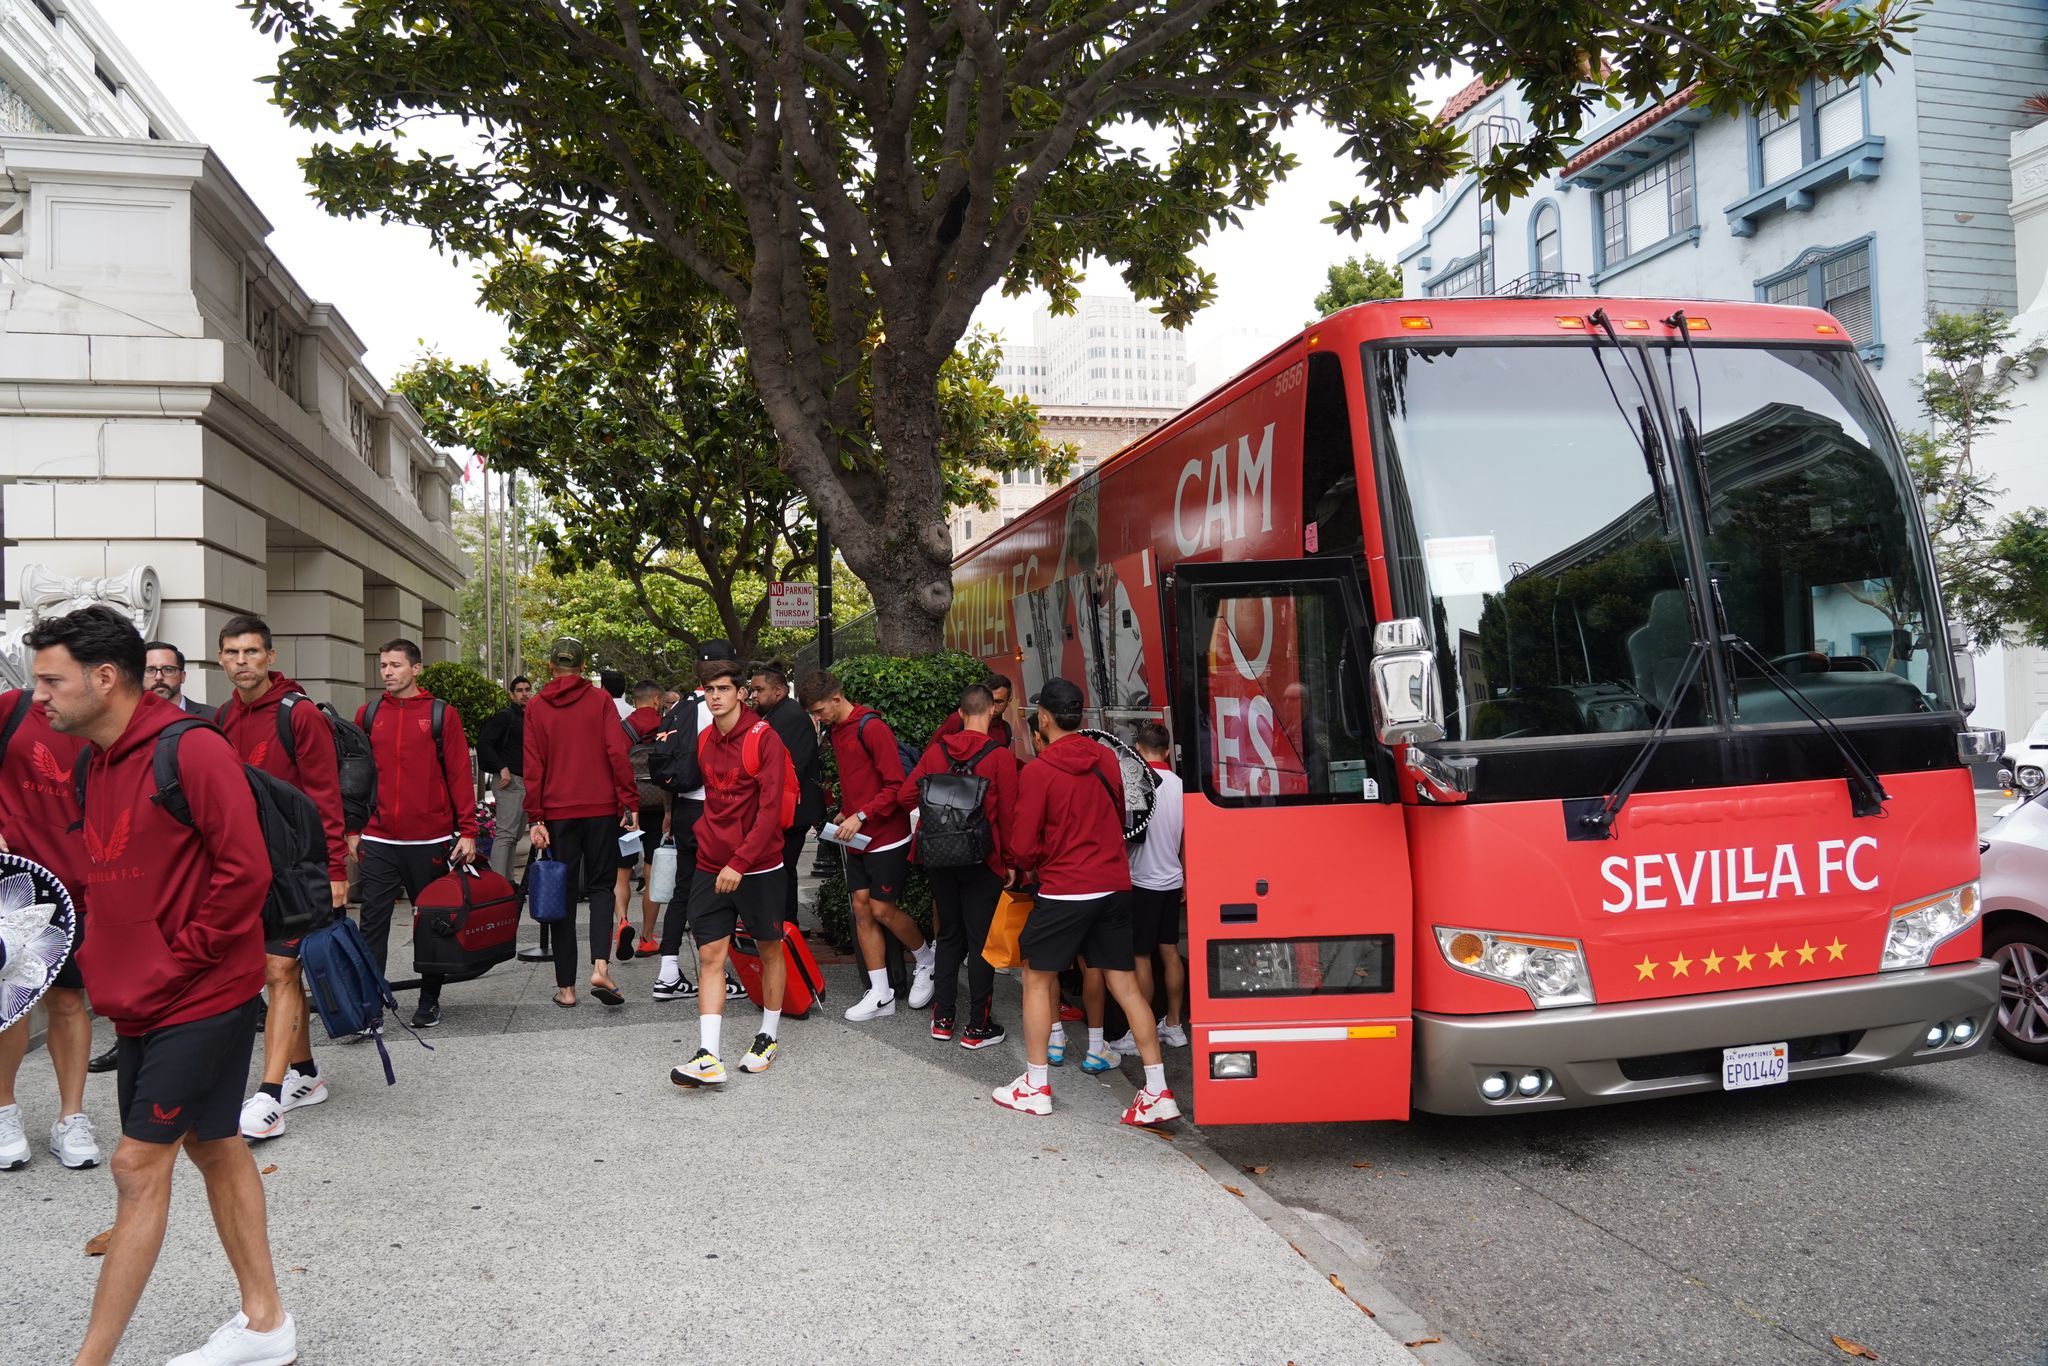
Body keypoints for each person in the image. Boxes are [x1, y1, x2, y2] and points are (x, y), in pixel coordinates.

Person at [29, 606, 296, 1366]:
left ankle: (91, 1360)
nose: (38, 695)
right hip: (142, 998)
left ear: (103, 678)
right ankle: (267, 1322)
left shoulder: (193, 750)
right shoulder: (95, 761)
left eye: (51, 680)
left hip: (202, 994)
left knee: (134, 1164)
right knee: (216, 1147)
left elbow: (247, 868)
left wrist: (182, 957)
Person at [994, 678, 1178, 1126]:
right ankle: (1157, 1091)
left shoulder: (1037, 771)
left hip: (1065, 889)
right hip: (1115, 884)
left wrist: (1036, 859)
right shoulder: (1105, 758)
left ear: (1044, 718)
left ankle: (1036, 1085)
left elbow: (1021, 846)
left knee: (1037, 978)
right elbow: (1119, 815)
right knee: (1127, 985)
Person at [214, 614, 347, 1143]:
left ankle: (269, 1096)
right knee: (271, 975)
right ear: (221, 659)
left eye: (251, 652)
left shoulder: (300, 714)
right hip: (241, 870)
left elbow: (326, 796)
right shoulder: (222, 718)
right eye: (231, 653)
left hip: (295, 871)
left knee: (280, 971)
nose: (241, 661)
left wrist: (336, 871)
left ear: (270, 657)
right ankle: (307, 1077)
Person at [670, 659, 792, 1087]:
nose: (716, 695)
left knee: (768, 948)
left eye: (724, 688)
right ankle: (708, 1055)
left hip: (758, 864)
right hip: (710, 862)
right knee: (709, 955)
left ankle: (768, 1034)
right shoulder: (704, 739)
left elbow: (770, 811)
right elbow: (714, 804)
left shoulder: (764, 739)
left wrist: (739, 862)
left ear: (741, 693)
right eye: (709, 689)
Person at [352, 639, 479, 1030]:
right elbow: (354, 777)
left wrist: (469, 830)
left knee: (431, 922)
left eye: (395, 665)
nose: (387, 672)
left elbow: (459, 774)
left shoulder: (442, 714)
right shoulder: (368, 713)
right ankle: (369, 1006)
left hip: (430, 839)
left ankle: (429, 999)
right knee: (372, 923)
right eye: (383, 665)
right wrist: (353, 829)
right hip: (379, 839)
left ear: (416, 669)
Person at [798, 671, 935, 1020]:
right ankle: (880, 992)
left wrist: (860, 814)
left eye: (819, 710)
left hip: (887, 835)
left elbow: (897, 785)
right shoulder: (838, 729)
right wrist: (848, 809)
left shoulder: (871, 727)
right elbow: (860, 781)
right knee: (861, 909)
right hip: (858, 835)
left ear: (836, 699)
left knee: (881, 909)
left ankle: (926, 959)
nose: (818, 718)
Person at [0, 683, 98, 1171]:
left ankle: (71, 1117)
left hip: (81, 881)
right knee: (12, 1001)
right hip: (14, 881)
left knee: (67, 999)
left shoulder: (103, 714)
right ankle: (4, 1111)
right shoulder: (13, 707)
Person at [897, 682, 1018, 1049]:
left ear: (961, 714)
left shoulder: (937, 753)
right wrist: (1011, 862)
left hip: (939, 857)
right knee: (982, 941)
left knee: (948, 934)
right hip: (983, 859)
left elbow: (904, 796)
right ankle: (977, 1027)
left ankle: (943, 1017)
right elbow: (1010, 816)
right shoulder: (1000, 757)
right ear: (992, 712)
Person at [524, 636, 638, 1009]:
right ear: (583, 666)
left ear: (551, 667)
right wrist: (628, 799)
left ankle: (567, 989)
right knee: (603, 887)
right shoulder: (600, 700)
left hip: (557, 812)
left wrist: (535, 816)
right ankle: (601, 967)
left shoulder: (537, 706)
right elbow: (615, 751)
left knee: (564, 895)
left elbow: (534, 765)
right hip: (601, 807)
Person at [648, 640, 748, 1005]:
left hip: (686, 810)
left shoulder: (682, 706)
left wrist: (671, 814)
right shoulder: (722, 707)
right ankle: (717, 974)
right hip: (717, 811)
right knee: (717, 895)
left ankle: (668, 972)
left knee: (683, 892)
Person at [1107, 721, 1188, 1055]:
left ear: (1138, 748)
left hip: (1142, 881)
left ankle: (1136, 1028)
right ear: (1167, 750)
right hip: (1173, 879)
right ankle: (1173, 1024)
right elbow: (1187, 839)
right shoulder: (1182, 785)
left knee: (1141, 955)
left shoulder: (1137, 784)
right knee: (1169, 951)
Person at [748, 659, 824, 932]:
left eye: (759, 689)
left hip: (792, 811)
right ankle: (782, 922)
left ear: (778, 690)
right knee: (780, 869)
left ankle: (785, 923)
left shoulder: (789, 717)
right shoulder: (775, 714)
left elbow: (788, 766)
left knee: (782, 869)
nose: (754, 695)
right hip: (785, 809)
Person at [618, 677, 669, 957]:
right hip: (658, 807)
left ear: (634, 700)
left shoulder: (623, 728)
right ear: (658, 700)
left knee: (622, 870)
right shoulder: (665, 726)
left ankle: (622, 921)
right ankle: (647, 937)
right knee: (652, 869)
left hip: (627, 808)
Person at [478, 675, 532, 884]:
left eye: (527, 689)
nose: (525, 693)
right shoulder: (505, 716)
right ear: (511, 694)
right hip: (510, 782)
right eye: (520, 690)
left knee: (514, 836)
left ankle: (507, 881)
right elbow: (484, 743)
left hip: (525, 782)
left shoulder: (528, 717)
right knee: (506, 835)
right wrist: (502, 768)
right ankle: (500, 884)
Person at [935, 673, 1015, 749]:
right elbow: (930, 755)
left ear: (1008, 701)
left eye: (998, 702)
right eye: (988, 700)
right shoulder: (957, 720)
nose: (992, 706)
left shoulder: (1005, 729)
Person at [144, 640, 214, 719]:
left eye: (168, 669)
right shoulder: (130, 720)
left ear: (182, 676)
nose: (159, 677)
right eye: (150, 670)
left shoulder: (212, 717)